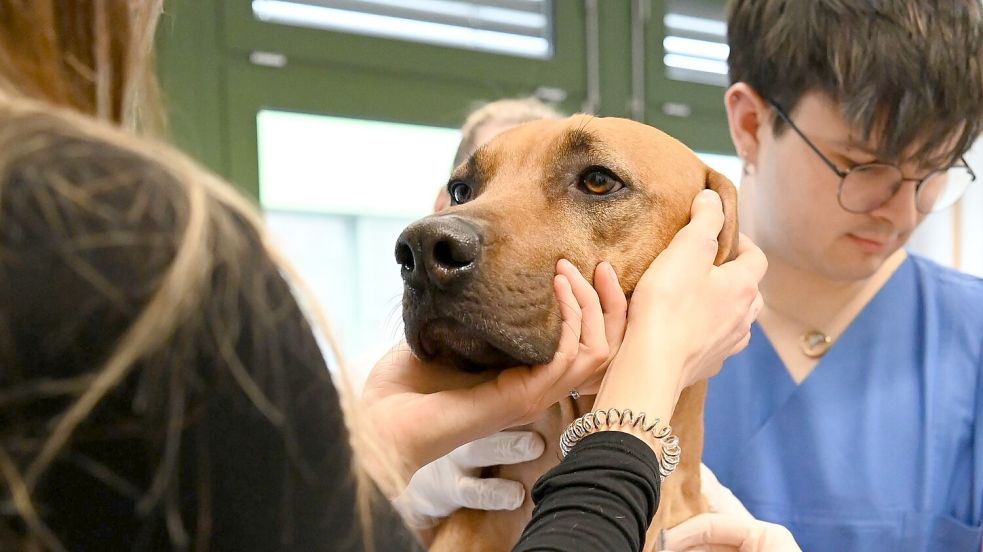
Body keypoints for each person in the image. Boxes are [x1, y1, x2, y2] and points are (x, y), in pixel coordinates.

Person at [0, 2, 769, 551]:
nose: (445, 234)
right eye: (465, 192)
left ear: (712, 265)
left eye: (595, 183)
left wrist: (372, 452)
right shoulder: (132, 244)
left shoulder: (725, 525)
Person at [700, 1, 983, 550]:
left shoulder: (971, 340)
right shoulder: (629, 324)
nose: (903, 215)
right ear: (751, 124)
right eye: (862, 168)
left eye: (934, 172)